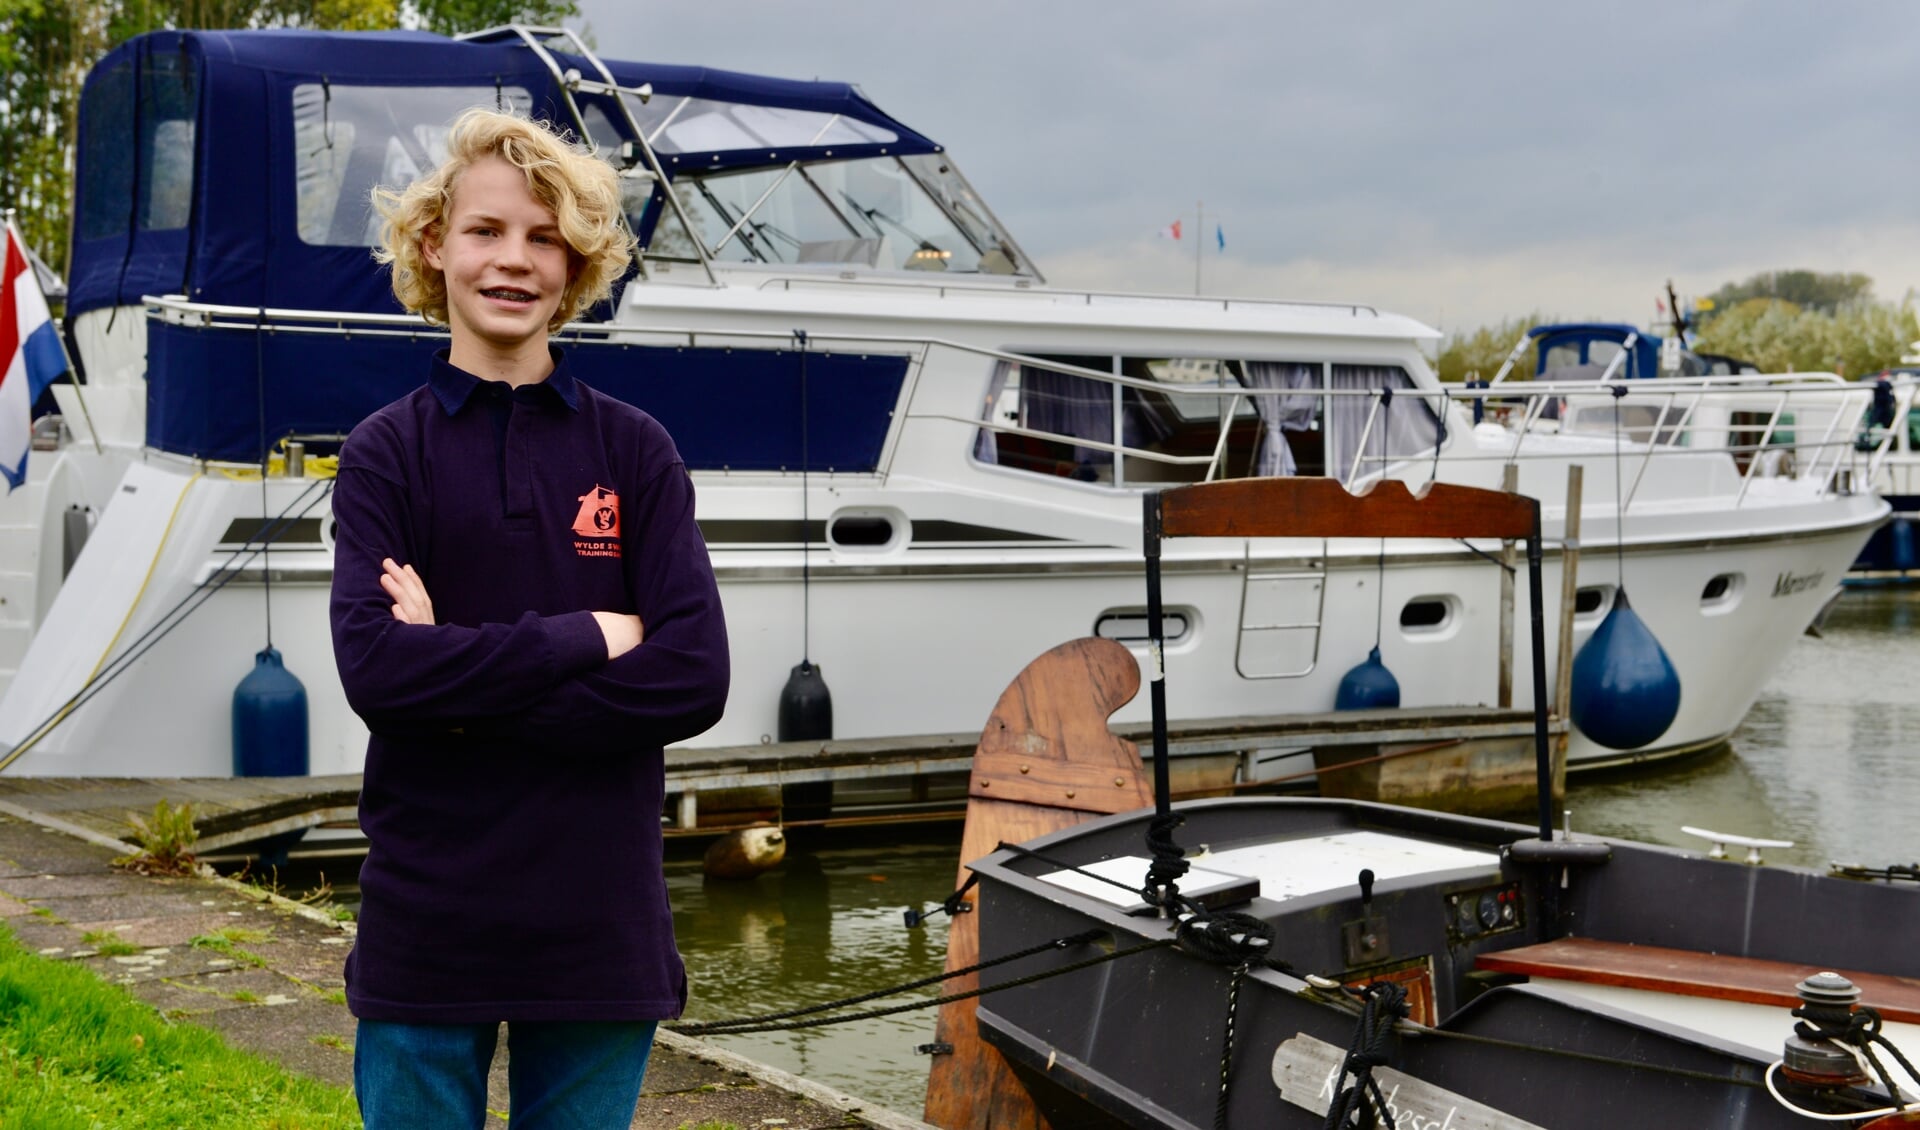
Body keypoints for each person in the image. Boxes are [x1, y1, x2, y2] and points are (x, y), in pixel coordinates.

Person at [328, 108, 730, 1128]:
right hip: (429, 923)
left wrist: (454, 685)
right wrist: (588, 635)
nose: (514, 260)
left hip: (600, 926)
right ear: (435, 245)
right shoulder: (386, 453)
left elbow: (693, 675)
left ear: (577, 260)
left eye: (543, 237)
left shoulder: (636, 450)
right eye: (487, 231)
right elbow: (377, 673)